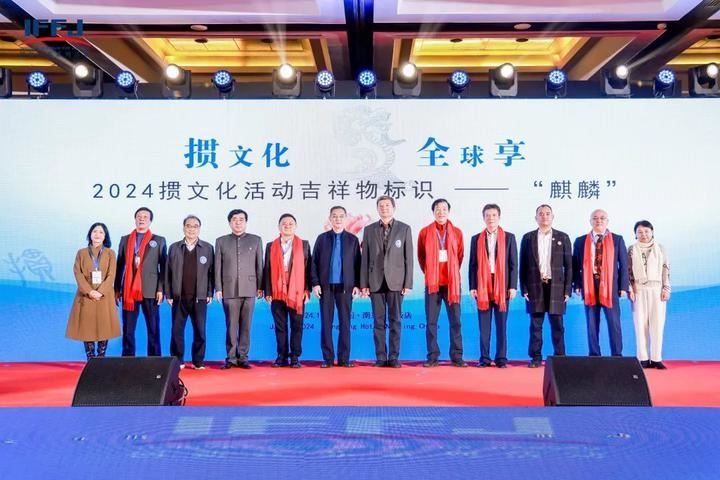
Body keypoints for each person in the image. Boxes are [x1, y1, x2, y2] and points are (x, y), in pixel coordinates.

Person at [360, 195, 413, 368]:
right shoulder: (369, 230)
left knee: (395, 321)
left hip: (396, 282)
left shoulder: (404, 229)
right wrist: (364, 284)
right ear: (377, 209)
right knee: (378, 322)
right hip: (375, 282)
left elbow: (409, 258)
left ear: (393, 208)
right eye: (381, 206)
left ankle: (394, 357)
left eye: (387, 205)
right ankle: (381, 357)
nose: (384, 208)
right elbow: (365, 258)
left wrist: (408, 283)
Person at [519, 205, 572, 368]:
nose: (544, 216)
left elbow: (569, 266)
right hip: (535, 286)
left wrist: (567, 289)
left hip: (557, 286)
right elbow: (523, 265)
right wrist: (524, 288)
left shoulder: (563, 237)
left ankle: (560, 357)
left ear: (552, 217)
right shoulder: (528, 238)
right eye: (541, 214)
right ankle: (536, 357)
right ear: (536, 218)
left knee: (558, 324)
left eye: (547, 214)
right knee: (536, 325)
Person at [573, 209, 629, 357]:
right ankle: (594, 355)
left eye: (602, 218)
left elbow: (624, 265)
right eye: (595, 218)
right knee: (591, 324)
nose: (599, 220)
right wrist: (577, 284)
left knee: (614, 323)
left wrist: (623, 286)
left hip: (611, 287)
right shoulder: (580, 241)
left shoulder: (617, 239)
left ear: (607, 221)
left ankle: (617, 355)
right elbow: (575, 265)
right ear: (590, 221)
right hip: (589, 284)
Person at [311, 206, 362, 368]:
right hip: (326, 287)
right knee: (326, 324)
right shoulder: (322, 239)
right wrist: (315, 283)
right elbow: (314, 263)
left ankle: (344, 359)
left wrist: (357, 285)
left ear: (345, 218)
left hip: (345, 288)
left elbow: (358, 264)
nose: (338, 219)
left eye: (341, 216)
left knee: (345, 324)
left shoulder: (352, 240)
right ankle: (327, 359)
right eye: (335, 216)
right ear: (330, 219)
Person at [417, 198, 466, 368]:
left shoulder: (457, 232)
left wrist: (451, 273)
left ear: (448, 211)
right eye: (438, 209)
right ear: (433, 212)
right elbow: (421, 257)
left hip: (452, 285)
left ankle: (457, 356)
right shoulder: (424, 232)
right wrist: (431, 273)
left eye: (444, 209)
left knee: (456, 321)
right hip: (433, 284)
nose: (441, 212)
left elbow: (460, 256)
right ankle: (432, 356)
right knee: (431, 322)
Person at [469, 204, 518, 368]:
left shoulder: (509, 237)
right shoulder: (476, 239)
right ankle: (484, 358)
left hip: (502, 285)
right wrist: (473, 286)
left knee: (501, 325)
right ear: (483, 218)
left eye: (494, 215)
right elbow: (473, 265)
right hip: (482, 285)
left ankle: (501, 358)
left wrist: (512, 286)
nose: (491, 218)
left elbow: (513, 264)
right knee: (484, 326)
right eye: (487, 215)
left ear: (499, 217)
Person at [215, 209, 263, 369]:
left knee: (246, 326)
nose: (238, 222)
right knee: (231, 326)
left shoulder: (256, 240)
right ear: (230, 222)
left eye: (241, 219)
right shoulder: (221, 241)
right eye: (234, 219)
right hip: (229, 289)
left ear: (246, 222)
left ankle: (243, 357)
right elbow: (217, 267)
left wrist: (260, 286)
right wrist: (218, 288)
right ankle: (231, 358)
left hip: (250, 288)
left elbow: (259, 265)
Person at [115, 207, 167, 357]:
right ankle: (127, 358)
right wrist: (116, 289)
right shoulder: (125, 239)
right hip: (129, 290)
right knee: (128, 328)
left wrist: (161, 289)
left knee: (153, 327)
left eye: (145, 217)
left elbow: (163, 266)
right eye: (139, 216)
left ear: (150, 221)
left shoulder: (159, 240)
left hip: (151, 289)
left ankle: (155, 359)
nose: (142, 219)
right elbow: (120, 265)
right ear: (135, 219)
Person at [165, 215, 214, 369]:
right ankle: (177, 360)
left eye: (195, 226)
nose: (191, 229)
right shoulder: (174, 247)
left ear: (199, 228)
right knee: (176, 331)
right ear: (183, 228)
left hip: (199, 297)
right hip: (179, 297)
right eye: (188, 225)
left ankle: (198, 361)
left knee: (200, 331)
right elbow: (167, 273)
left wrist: (209, 293)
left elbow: (211, 273)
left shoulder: (207, 248)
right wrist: (169, 294)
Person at [66, 222, 121, 359]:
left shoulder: (110, 253)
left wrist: (100, 291)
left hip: (105, 295)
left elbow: (111, 275)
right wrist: (89, 291)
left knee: (104, 325)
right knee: (87, 326)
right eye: (95, 231)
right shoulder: (81, 253)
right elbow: (78, 273)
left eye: (101, 232)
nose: (97, 234)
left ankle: (101, 358)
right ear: (90, 234)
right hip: (86, 295)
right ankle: (90, 358)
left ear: (105, 236)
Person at [264, 213, 311, 368]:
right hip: (277, 293)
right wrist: (268, 291)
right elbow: (267, 269)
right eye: (284, 223)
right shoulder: (271, 246)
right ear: (279, 227)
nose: (287, 226)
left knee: (297, 326)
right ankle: (281, 356)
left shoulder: (304, 245)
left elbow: (308, 269)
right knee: (280, 326)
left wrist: (307, 290)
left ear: (295, 226)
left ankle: (295, 357)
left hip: (297, 293)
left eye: (291, 223)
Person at [628, 220, 671, 369]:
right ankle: (643, 358)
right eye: (639, 232)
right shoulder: (631, 249)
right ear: (635, 234)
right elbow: (627, 271)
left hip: (656, 290)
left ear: (652, 232)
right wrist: (630, 288)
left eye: (646, 231)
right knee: (640, 325)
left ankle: (656, 358)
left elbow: (666, 270)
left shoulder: (660, 248)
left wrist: (666, 289)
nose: (643, 234)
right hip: (638, 290)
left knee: (657, 324)